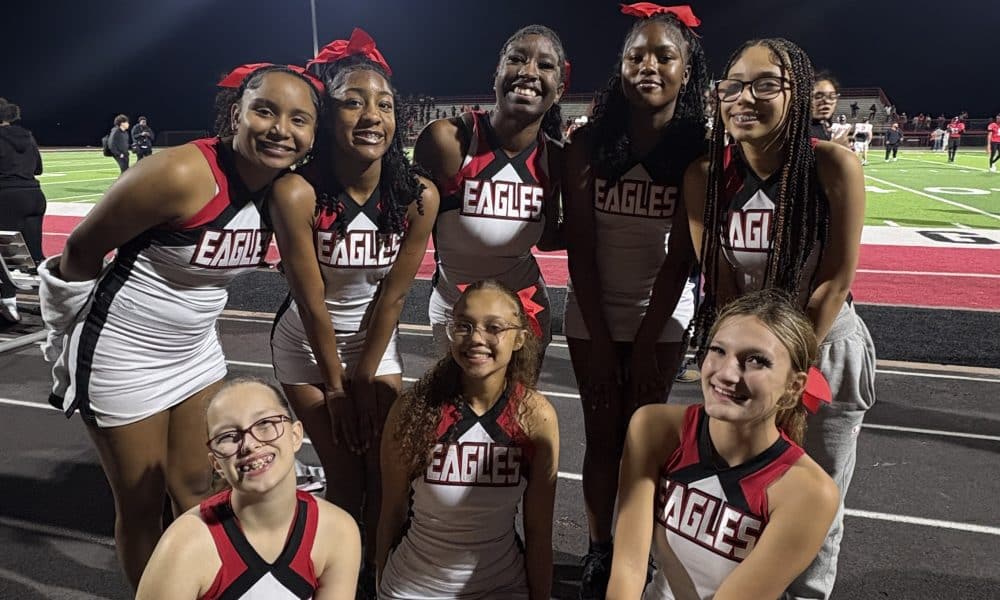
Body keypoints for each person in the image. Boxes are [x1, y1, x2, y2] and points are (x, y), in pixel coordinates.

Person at [38, 63, 322, 588]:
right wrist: (63, 332)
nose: (281, 129)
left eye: (298, 119)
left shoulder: (287, 190)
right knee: (141, 504)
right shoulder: (180, 173)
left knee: (200, 488)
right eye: (265, 111)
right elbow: (79, 249)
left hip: (195, 351)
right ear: (236, 115)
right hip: (123, 352)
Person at [684, 38, 876, 600]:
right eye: (733, 86)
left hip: (822, 347)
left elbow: (834, 281)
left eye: (765, 84)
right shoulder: (705, 175)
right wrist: (743, 365)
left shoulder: (832, 165)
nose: (745, 98)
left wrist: (789, 373)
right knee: (741, 487)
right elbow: (719, 282)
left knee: (817, 495)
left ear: (798, 93)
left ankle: (809, 593)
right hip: (745, 357)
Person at [269, 28, 439, 597]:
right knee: (344, 472)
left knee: (386, 470)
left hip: (375, 342)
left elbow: (393, 297)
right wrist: (339, 390)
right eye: (353, 102)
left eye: (384, 104)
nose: (372, 116)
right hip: (306, 344)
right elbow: (311, 301)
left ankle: (380, 573)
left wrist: (364, 377)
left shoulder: (417, 196)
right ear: (326, 115)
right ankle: (340, 581)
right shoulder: (297, 193)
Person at [560, 4, 708, 597]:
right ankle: (601, 548)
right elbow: (580, 251)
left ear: (685, 70)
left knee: (643, 442)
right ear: (619, 68)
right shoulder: (588, 145)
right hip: (592, 310)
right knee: (602, 437)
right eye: (635, 55)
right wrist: (600, 340)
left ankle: (635, 546)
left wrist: (648, 339)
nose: (649, 65)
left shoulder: (697, 151)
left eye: (664, 56)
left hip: (662, 314)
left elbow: (681, 260)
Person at [606, 290, 839, 600]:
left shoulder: (809, 492)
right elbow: (628, 566)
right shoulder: (654, 428)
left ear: (793, 386)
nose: (727, 373)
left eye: (756, 361)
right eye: (718, 350)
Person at [377, 280, 559, 599]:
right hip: (413, 589)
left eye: (494, 328)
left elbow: (538, 530)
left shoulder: (535, 416)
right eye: (464, 325)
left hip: (501, 587)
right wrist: (380, 583)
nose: (476, 338)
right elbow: (392, 511)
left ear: (520, 338)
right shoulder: (413, 409)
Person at [415, 25, 568, 355]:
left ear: (559, 91)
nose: (528, 72)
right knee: (453, 391)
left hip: (524, 310)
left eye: (545, 65)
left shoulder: (555, 158)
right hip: (456, 310)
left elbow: (547, 238)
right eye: (517, 59)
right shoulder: (447, 141)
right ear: (496, 75)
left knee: (520, 393)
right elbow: (404, 227)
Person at [135, 379, 361, 599]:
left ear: (295, 435)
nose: (249, 444)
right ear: (217, 464)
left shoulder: (337, 530)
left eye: (264, 424)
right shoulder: (185, 544)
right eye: (228, 436)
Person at [0, 98, 46, 323]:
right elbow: (38, 168)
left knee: (5, 254)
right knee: (35, 256)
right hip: (35, 196)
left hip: (7, 196)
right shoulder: (27, 135)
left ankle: (9, 304)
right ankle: (50, 303)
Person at [809, 71, 839, 141]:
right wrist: (835, 146)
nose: (827, 101)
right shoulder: (800, 130)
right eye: (819, 97)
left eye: (832, 97)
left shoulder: (824, 125)